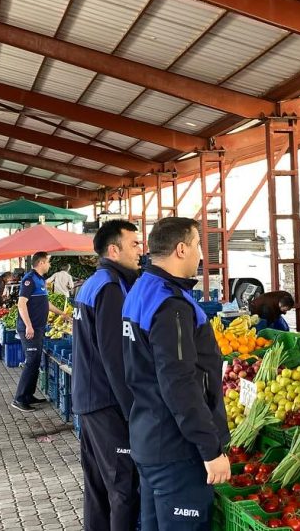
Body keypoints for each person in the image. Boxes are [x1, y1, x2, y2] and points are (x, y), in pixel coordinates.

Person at [123, 217, 230, 530]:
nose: (200, 254)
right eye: (197, 245)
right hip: (176, 449)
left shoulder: (141, 289)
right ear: (181, 249)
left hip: (148, 436)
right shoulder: (171, 305)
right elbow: (180, 383)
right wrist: (210, 449)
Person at [74, 220, 141, 529]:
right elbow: (115, 357)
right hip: (106, 402)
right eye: (134, 244)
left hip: (89, 399)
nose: (139, 251)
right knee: (122, 488)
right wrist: (132, 411)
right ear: (114, 250)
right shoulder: (111, 289)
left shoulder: (93, 283)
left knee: (98, 487)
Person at [12, 252, 64, 412]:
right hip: (30, 329)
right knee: (31, 361)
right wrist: (28, 325)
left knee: (35, 361)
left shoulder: (41, 280)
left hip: (38, 328)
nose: (49, 265)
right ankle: (19, 399)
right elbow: (21, 304)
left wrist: (63, 314)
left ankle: (28, 395)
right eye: (48, 262)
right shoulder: (29, 279)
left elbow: (45, 303)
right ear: (41, 263)